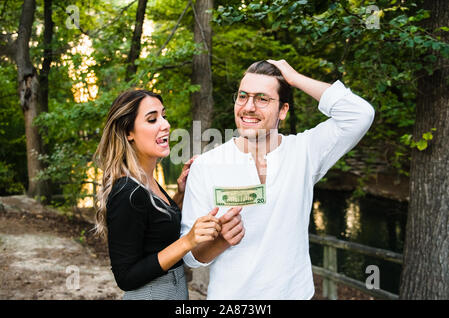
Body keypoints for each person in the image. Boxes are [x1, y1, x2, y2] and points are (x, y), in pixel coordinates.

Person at [180, 59, 375, 299]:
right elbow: (191, 256)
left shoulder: (304, 152)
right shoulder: (205, 165)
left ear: (283, 110)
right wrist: (219, 241)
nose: (248, 107)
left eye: (262, 99)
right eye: (243, 96)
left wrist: (293, 77)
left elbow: (360, 114)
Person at [93, 89, 221, 300]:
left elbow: (157, 233)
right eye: (152, 119)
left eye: (164, 116)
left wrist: (180, 194)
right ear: (128, 133)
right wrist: (188, 241)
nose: (165, 124)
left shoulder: (147, 183)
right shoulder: (127, 192)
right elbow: (125, 277)